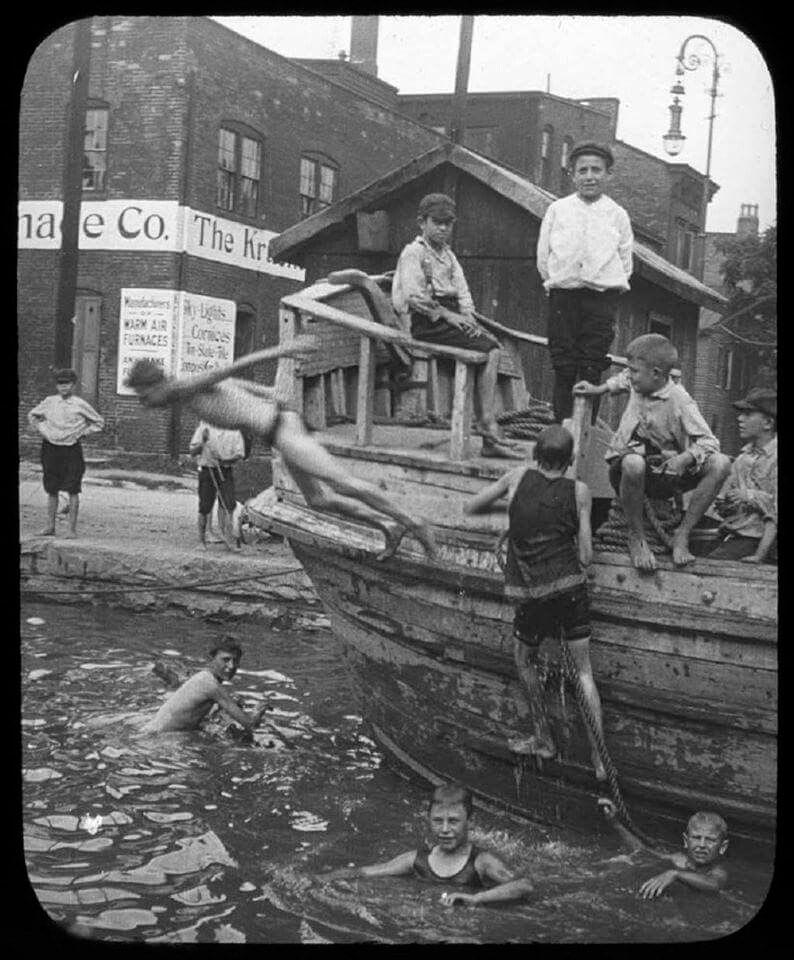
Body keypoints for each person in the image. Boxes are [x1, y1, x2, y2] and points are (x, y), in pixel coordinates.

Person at [123, 342, 437, 560]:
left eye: (144, 393)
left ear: (156, 384)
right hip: (280, 427)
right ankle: (390, 526)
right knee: (319, 499)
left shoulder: (183, 387)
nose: (145, 401)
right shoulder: (186, 393)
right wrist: (267, 392)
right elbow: (235, 382)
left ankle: (413, 521)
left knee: (342, 484)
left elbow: (232, 368)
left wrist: (283, 352)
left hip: (281, 429)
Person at [465, 424, 606, 780]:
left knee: (524, 658)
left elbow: (474, 505)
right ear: (571, 459)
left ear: (534, 455)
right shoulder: (580, 491)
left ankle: (544, 738)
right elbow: (586, 556)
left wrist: (516, 524)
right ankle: (601, 761)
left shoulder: (516, 476)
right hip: (571, 589)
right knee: (584, 674)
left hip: (532, 595)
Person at [574, 334, 730, 571]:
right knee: (634, 462)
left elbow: (710, 442)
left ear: (657, 374)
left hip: (663, 472)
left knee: (721, 464)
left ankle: (682, 534)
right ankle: (637, 536)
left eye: (635, 371)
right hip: (627, 469)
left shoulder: (680, 400)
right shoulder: (640, 381)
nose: (631, 375)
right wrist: (599, 389)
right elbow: (624, 378)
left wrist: (685, 457)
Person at [391, 192, 521, 459]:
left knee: (488, 346)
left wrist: (470, 322)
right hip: (426, 322)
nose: (443, 228)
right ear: (422, 222)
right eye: (437, 222)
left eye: (448, 223)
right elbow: (415, 297)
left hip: (450, 319)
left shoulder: (449, 256)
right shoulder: (413, 253)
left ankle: (488, 437)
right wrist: (451, 318)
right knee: (492, 350)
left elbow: (463, 295)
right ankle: (487, 423)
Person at [537, 141, 634, 423]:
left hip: (600, 300)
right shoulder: (558, 210)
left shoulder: (617, 215)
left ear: (608, 175)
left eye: (597, 170)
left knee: (591, 366)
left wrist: (603, 284)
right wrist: (561, 282)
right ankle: (559, 437)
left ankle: (584, 438)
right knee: (564, 365)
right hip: (564, 297)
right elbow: (544, 257)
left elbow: (625, 261)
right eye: (583, 170)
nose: (590, 176)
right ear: (572, 174)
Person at [318, 782, 532, 907]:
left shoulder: (481, 861)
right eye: (438, 821)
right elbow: (365, 872)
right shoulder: (416, 860)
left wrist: (476, 898)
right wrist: (321, 879)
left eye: (454, 821)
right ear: (428, 820)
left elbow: (524, 885)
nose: (445, 829)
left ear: (470, 822)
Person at [27, 367, 104, 539]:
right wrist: (42, 429)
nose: (63, 388)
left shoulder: (80, 404)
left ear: (73, 385)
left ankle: (71, 530)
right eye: (60, 384)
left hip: (71, 449)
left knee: (73, 488)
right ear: (56, 386)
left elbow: (99, 422)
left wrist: (82, 433)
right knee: (51, 488)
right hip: (50, 448)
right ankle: (50, 526)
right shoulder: (49, 401)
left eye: (67, 384)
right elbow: (32, 415)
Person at [598, 798, 729, 899]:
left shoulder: (718, 872)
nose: (702, 845)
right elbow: (641, 851)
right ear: (685, 841)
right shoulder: (678, 859)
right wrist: (615, 823)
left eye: (710, 840)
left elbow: (714, 885)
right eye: (696, 838)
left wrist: (674, 874)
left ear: (722, 847)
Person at [708, 388, 777, 563]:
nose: (740, 419)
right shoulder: (742, 458)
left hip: (763, 542)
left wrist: (759, 555)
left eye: (748, 414)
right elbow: (723, 507)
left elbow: (775, 514)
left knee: (711, 567)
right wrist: (725, 504)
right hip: (736, 536)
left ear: (768, 423)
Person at [143, 640, 266, 738]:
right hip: (161, 739)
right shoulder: (211, 686)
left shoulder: (202, 677)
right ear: (211, 659)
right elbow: (249, 724)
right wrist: (258, 711)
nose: (231, 666)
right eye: (226, 660)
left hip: (152, 732)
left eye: (235, 660)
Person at [190, 421, 246, 550]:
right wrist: (203, 442)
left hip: (225, 471)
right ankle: (201, 541)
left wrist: (224, 460)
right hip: (207, 470)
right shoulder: (204, 427)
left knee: (229, 504)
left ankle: (229, 539)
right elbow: (193, 452)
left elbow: (239, 455)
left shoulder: (234, 429)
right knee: (204, 507)